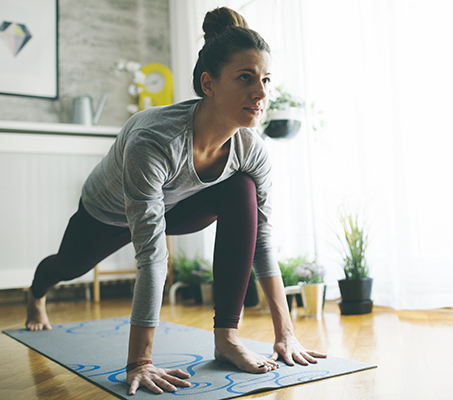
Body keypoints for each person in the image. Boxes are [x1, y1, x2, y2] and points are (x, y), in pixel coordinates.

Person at [25, 6, 326, 396]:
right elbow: (151, 255)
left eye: (266, 79)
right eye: (246, 78)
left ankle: (227, 337)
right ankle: (34, 294)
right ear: (209, 83)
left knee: (241, 190)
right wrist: (140, 362)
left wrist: (286, 334)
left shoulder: (251, 148)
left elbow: (261, 239)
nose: (262, 93)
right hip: (109, 211)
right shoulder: (154, 141)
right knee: (68, 265)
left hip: (179, 206)